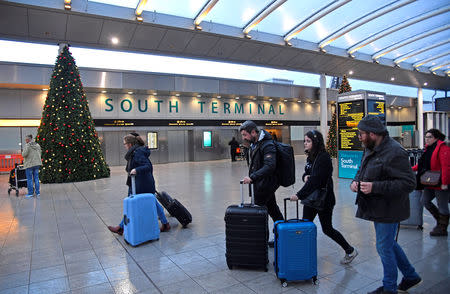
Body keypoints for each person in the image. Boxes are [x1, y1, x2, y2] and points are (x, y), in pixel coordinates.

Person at [350, 115, 421, 294]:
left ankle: (390, 288)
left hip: (391, 208)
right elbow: (362, 169)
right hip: (377, 206)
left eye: (361, 134)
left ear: (372, 134)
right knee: (388, 243)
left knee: (383, 246)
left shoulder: (395, 152)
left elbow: (408, 183)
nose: (359, 137)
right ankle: (411, 276)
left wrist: (375, 187)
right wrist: (356, 181)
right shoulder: (370, 148)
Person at [290, 130, 358, 265]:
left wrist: (299, 195)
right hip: (311, 198)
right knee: (305, 225)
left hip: (324, 199)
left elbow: (316, 180)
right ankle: (303, 254)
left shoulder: (324, 158)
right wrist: (305, 177)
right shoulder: (311, 156)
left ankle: (349, 250)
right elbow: (308, 173)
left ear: (315, 142)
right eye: (304, 141)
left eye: (308, 141)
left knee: (327, 229)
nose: (305, 143)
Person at [108, 133, 170, 235]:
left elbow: (148, 166)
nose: (124, 146)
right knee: (153, 202)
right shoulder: (135, 152)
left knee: (130, 205)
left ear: (130, 144)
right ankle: (165, 223)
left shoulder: (137, 152)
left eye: (125, 144)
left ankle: (121, 227)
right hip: (140, 182)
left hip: (141, 184)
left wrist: (136, 169)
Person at [239, 120, 284, 247]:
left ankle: (262, 243)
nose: (244, 138)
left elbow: (270, 166)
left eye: (245, 135)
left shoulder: (267, 145)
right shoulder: (255, 144)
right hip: (262, 185)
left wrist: (252, 177)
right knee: (274, 211)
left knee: (260, 216)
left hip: (264, 186)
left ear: (253, 132)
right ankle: (282, 237)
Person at [412, 129, 449, 236]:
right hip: (430, 181)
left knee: (442, 205)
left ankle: (442, 227)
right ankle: (441, 221)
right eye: (426, 137)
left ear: (436, 138)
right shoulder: (429, 149)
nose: (426, 139)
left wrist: (445, 182)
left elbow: (446, 166)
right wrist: (412, 169)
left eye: (429, 137)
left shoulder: (443, 148)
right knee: (424, 201)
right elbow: (423, 164)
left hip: (440, 182)